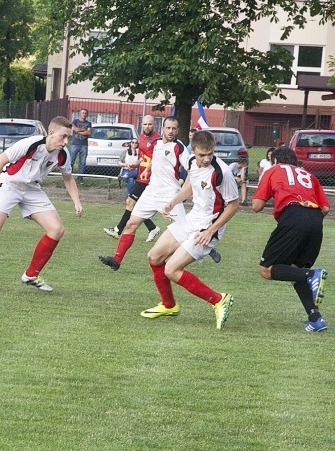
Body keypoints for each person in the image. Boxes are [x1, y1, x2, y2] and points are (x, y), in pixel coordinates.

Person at [0, 116, 83, 292]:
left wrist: (77, 202)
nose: (66, 142)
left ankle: (31, 275)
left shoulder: (62, 154)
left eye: (69, 137)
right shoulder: (31, 144)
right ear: (51, 133)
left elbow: (68, 178)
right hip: (8, 184)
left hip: (32, 189)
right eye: (63, 136)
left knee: (57, 230)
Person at [141, 130, 239, 330]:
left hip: (208, 226)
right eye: (202, 154)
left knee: (171, 270)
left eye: (210, 154)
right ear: (193, 150)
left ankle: (219, 299)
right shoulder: (191, 161)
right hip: (192, 219)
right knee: (154, 256)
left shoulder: (222, 172)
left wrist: (211, 231)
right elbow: (191, 186)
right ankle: (169, 305)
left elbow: (233, 205)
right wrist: (173, 202)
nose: (206, 158)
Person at [251, 146, 331, 332]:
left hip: (293, 216)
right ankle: (315, 318)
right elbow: (325, 209)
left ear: (276, 161)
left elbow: (256, 206)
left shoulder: (273, 170)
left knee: (266, 270)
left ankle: (313, 275)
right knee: (295, 271)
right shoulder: (309, 175)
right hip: (315, 219)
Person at [99, 116, 187, 270]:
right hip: (151, 192)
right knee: (131, 224)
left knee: (186, 228)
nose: (171, 131)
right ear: (163, 129)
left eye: (174, 128)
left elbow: (191, 169)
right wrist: (147, 169)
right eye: (168, 128)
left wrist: (184, 185)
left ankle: (207, 247)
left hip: (169, 194)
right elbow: (156, 158)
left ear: (178, 130)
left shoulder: (179, 147)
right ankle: (116, 260)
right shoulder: (158, 143)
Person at [103, 115, 162, 242]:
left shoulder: (157, 140)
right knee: (135, 204)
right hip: (141, 176)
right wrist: (135, 165)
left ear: (154, 125)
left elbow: (156, 158)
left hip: (150, 178)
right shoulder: (140, 138)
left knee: (131, 202)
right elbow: (143, 158)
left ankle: (117, 230)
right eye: (145, 124)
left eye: (150, 124)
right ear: (142, 125)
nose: (147, 126)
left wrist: (147, 170)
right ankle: (152, 228)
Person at [69, 109, 92, 182]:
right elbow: (73, 129)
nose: (84, 114)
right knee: (71, 161)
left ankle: (80, 178)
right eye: (83, 113)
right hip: (74, 144)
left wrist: (78, 131)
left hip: (84, 145)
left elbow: (88, 132)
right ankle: (69, 177)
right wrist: (84, 130)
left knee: (82, 162)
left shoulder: (88, 123)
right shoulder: (75, 121)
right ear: (80, 114)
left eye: (85, 113)